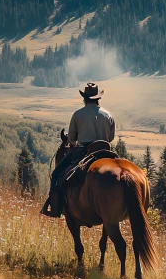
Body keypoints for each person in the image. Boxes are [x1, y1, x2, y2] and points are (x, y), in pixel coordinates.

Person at [40, 82, 115, 217]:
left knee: (57, 174)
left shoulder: (78, 114)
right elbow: (111, 137)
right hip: (106, 152)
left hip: (84, 151)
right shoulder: (108, 115)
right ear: (98, 98)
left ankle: (55, 209)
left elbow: (72, 140)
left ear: (84, 98)